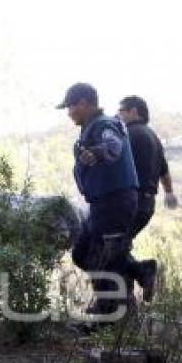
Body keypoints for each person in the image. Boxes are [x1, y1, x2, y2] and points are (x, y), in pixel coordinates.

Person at [57, 83, 140, 318]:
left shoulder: (105, 124)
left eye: (71, 106)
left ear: (84, 103)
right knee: (83, 253)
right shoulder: (90, 128)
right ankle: (140, 271)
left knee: (108, 258)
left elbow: (113, 145)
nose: (69, 112)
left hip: (115, 200)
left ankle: (113, 315)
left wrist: (96, 153)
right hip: (101, 202)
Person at [117, 95, 177, 301]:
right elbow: (165, 173)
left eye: (121, 111)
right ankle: (134, 284)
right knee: (119, 246)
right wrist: (169, 193)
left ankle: (142, 273)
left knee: (106, 248)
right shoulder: (153, 138)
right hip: (147, 204)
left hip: (130, 203)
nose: (119, 115)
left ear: (134, 111)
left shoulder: (129, 134)